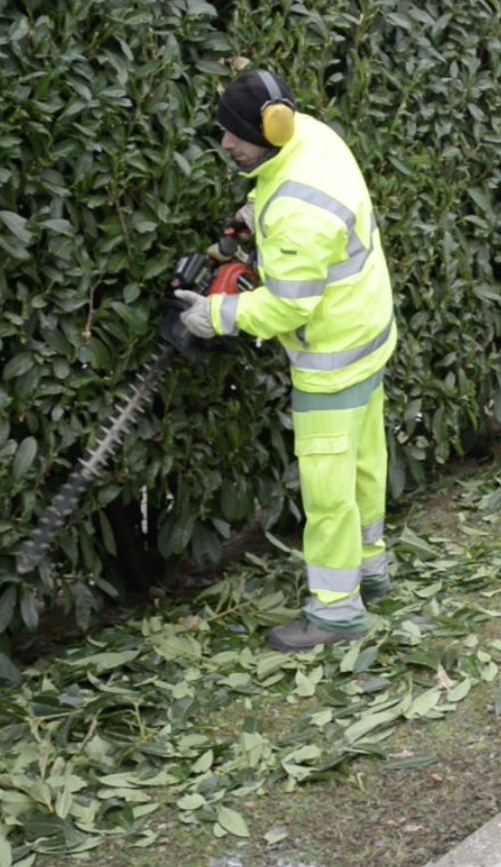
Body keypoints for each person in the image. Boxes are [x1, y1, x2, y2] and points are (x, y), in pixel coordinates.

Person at [176, 69, 398, 653]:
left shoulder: (299, 210)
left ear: (268, 130)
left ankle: (336, 611)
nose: (226, 145)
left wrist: (214, 315)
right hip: (369, 330)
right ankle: (371, 569)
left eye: (235, 137)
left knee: (328, 493)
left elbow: (286, 307)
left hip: (330, 357)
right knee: (366, 464)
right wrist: (253, 217)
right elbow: (290, 192)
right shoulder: (309, 138)